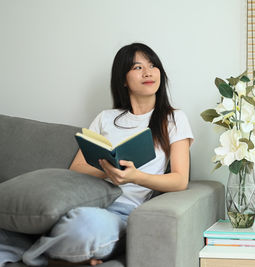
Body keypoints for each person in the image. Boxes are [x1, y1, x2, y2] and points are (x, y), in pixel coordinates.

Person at [0, 43, 194, 266]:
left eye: (152, 65)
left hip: (122, 212)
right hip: (85, 202)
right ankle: (62, 253)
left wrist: (134, 177)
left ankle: (34, 254)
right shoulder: (106, 118)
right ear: (123, 79)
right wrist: (108, 169)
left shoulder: (173, 119)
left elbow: (180, 180)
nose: (148, 72)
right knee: (56, 220)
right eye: (137, 67)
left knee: (85, 227)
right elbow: (76, 171)